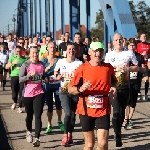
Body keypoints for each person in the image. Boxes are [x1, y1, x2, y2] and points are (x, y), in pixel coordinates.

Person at [68, 42, 117, 150]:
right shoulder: (82, 68)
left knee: (103, 143)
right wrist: (80, 89)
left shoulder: (108, 68)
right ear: (90, 52)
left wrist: (113, 87)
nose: (98, 54)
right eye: (95, 51)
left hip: (103, 109)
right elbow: (70, 89)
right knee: (89, 145)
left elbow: (114, 81)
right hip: (86, 110)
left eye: (100, 51)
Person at [105, 33, 139, 147]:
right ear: (113, 42)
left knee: (121, 114)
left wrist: (128, 68)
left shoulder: (129, 53)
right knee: (116, 112)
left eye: (120, 39)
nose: (119, 41)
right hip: (114, 88)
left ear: (123, 41)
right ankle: (117, 135)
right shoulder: (109, 55)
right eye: (116, 40)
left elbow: (137, 66)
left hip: (125, 88)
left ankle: (118, 130)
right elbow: (105, 70)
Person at [54, 43, 82, 146]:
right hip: (64, 91)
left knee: (73, 115)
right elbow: (56, 72)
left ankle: (70, 135)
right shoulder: (61, 61)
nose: (71, 51)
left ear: (76, 51)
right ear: (66, 51)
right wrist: (57, 76)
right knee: (68, 113)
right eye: (69, 49)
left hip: (75, 91)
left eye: (73, 49)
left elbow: (83, 76)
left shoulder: (79, 63)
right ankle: (65, 135)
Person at [19, 46, 45, 147]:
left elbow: (43, 77)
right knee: (30, 115)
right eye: (33, 53)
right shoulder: (25, 65)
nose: (35, 55)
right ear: (29, 54)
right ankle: (29, 131)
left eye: (36, 53)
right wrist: (29, 75)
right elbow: (20, 79)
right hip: (27, 94)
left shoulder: (41, 64)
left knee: (38, 116)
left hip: (39, 92)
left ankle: (37, 138)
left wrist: (45, 79)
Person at [122, 38, 145, 129]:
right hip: (126, 81)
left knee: (133, 102)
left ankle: (130, 119)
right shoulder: (124, 56)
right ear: (127, 46)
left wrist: (139, 69)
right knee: (126, 101)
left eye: (133, 45)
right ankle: (125, 119)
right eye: (130, 45)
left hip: (136, 81)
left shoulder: (139, 57)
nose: (132, 47)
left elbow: (143, 69)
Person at [42, 42, 64, 133]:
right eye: (51, 47)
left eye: (54, 47)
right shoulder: (44, 60)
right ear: (47, 49)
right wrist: (49, 67)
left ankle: (59, 121)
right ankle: (49, 124)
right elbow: (41, 72)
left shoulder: (60, 59)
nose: (52, 49)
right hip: (47, 86)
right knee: (50, 106)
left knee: (59, 105)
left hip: (57, 85)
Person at [5, 46, 27, 112]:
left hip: (22, 77)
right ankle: (15, 101)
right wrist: (12, 63)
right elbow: (6, 67)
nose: (18, 53)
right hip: (14, 76)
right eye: (17, 51)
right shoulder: (12, 58)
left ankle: (19, 107)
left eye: (19, 51)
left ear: (21, 51)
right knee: (14, 92)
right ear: (15, 51)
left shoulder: (24, 59)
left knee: (21, 91)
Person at [136, 33, 150, 100]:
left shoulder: (149, 45)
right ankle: (138, 93)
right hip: (140, 64)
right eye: (143, 36)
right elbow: (135, 54)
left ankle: (146, 94)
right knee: (138, 79)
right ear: (140, 38)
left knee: (147, 79)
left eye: (145, 36)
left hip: (146, 64)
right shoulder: (138, 45)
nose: (144, 37)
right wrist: (142, 54)